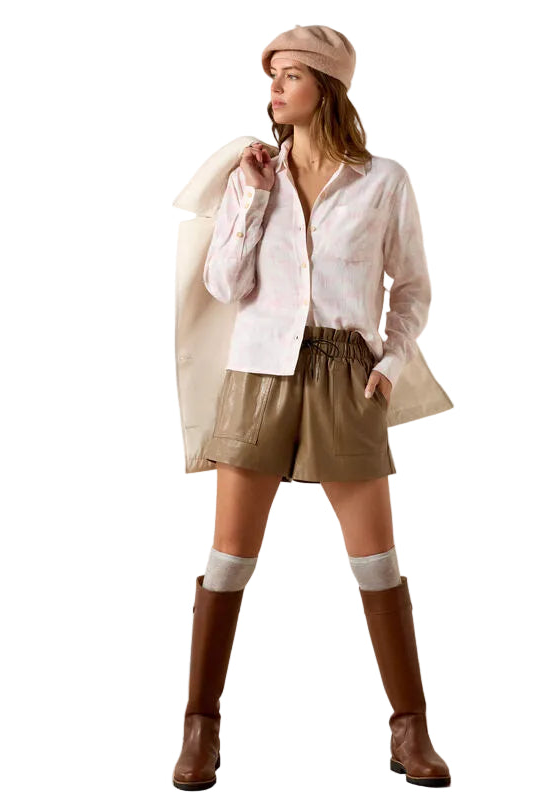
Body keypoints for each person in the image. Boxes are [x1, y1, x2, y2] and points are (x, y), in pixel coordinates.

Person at [172, 24, 451, 790]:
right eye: (273, 75)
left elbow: (412, 287)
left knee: (377, 562)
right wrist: (257, 199)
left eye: (291, 74)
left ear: (326, 87)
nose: (274, 86)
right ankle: (200, 725)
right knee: (229, 560)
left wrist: (389, 364)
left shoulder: (383, 181)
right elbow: (225, 285)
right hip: (258, 371)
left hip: (344, 374)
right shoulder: (252, 177)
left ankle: (410, 727)